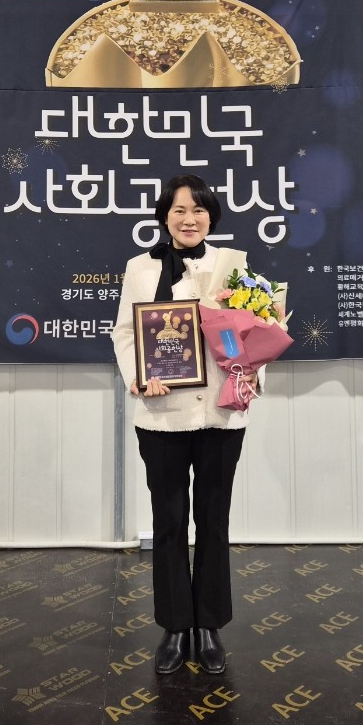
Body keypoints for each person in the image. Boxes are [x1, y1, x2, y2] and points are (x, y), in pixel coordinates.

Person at [112, 174, 264, 674]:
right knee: (170, 522)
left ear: (210, 217)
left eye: (198, 210)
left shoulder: (233, 265)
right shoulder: (140, 267)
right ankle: (176, 627)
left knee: (214, 522)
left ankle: (210, 625)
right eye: (178, 210)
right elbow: (126, 333)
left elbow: (255, 330)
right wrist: (140, 377)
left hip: (221, 413)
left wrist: (249, 373)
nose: (189, 219)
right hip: (162, 417)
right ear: (164, 217)